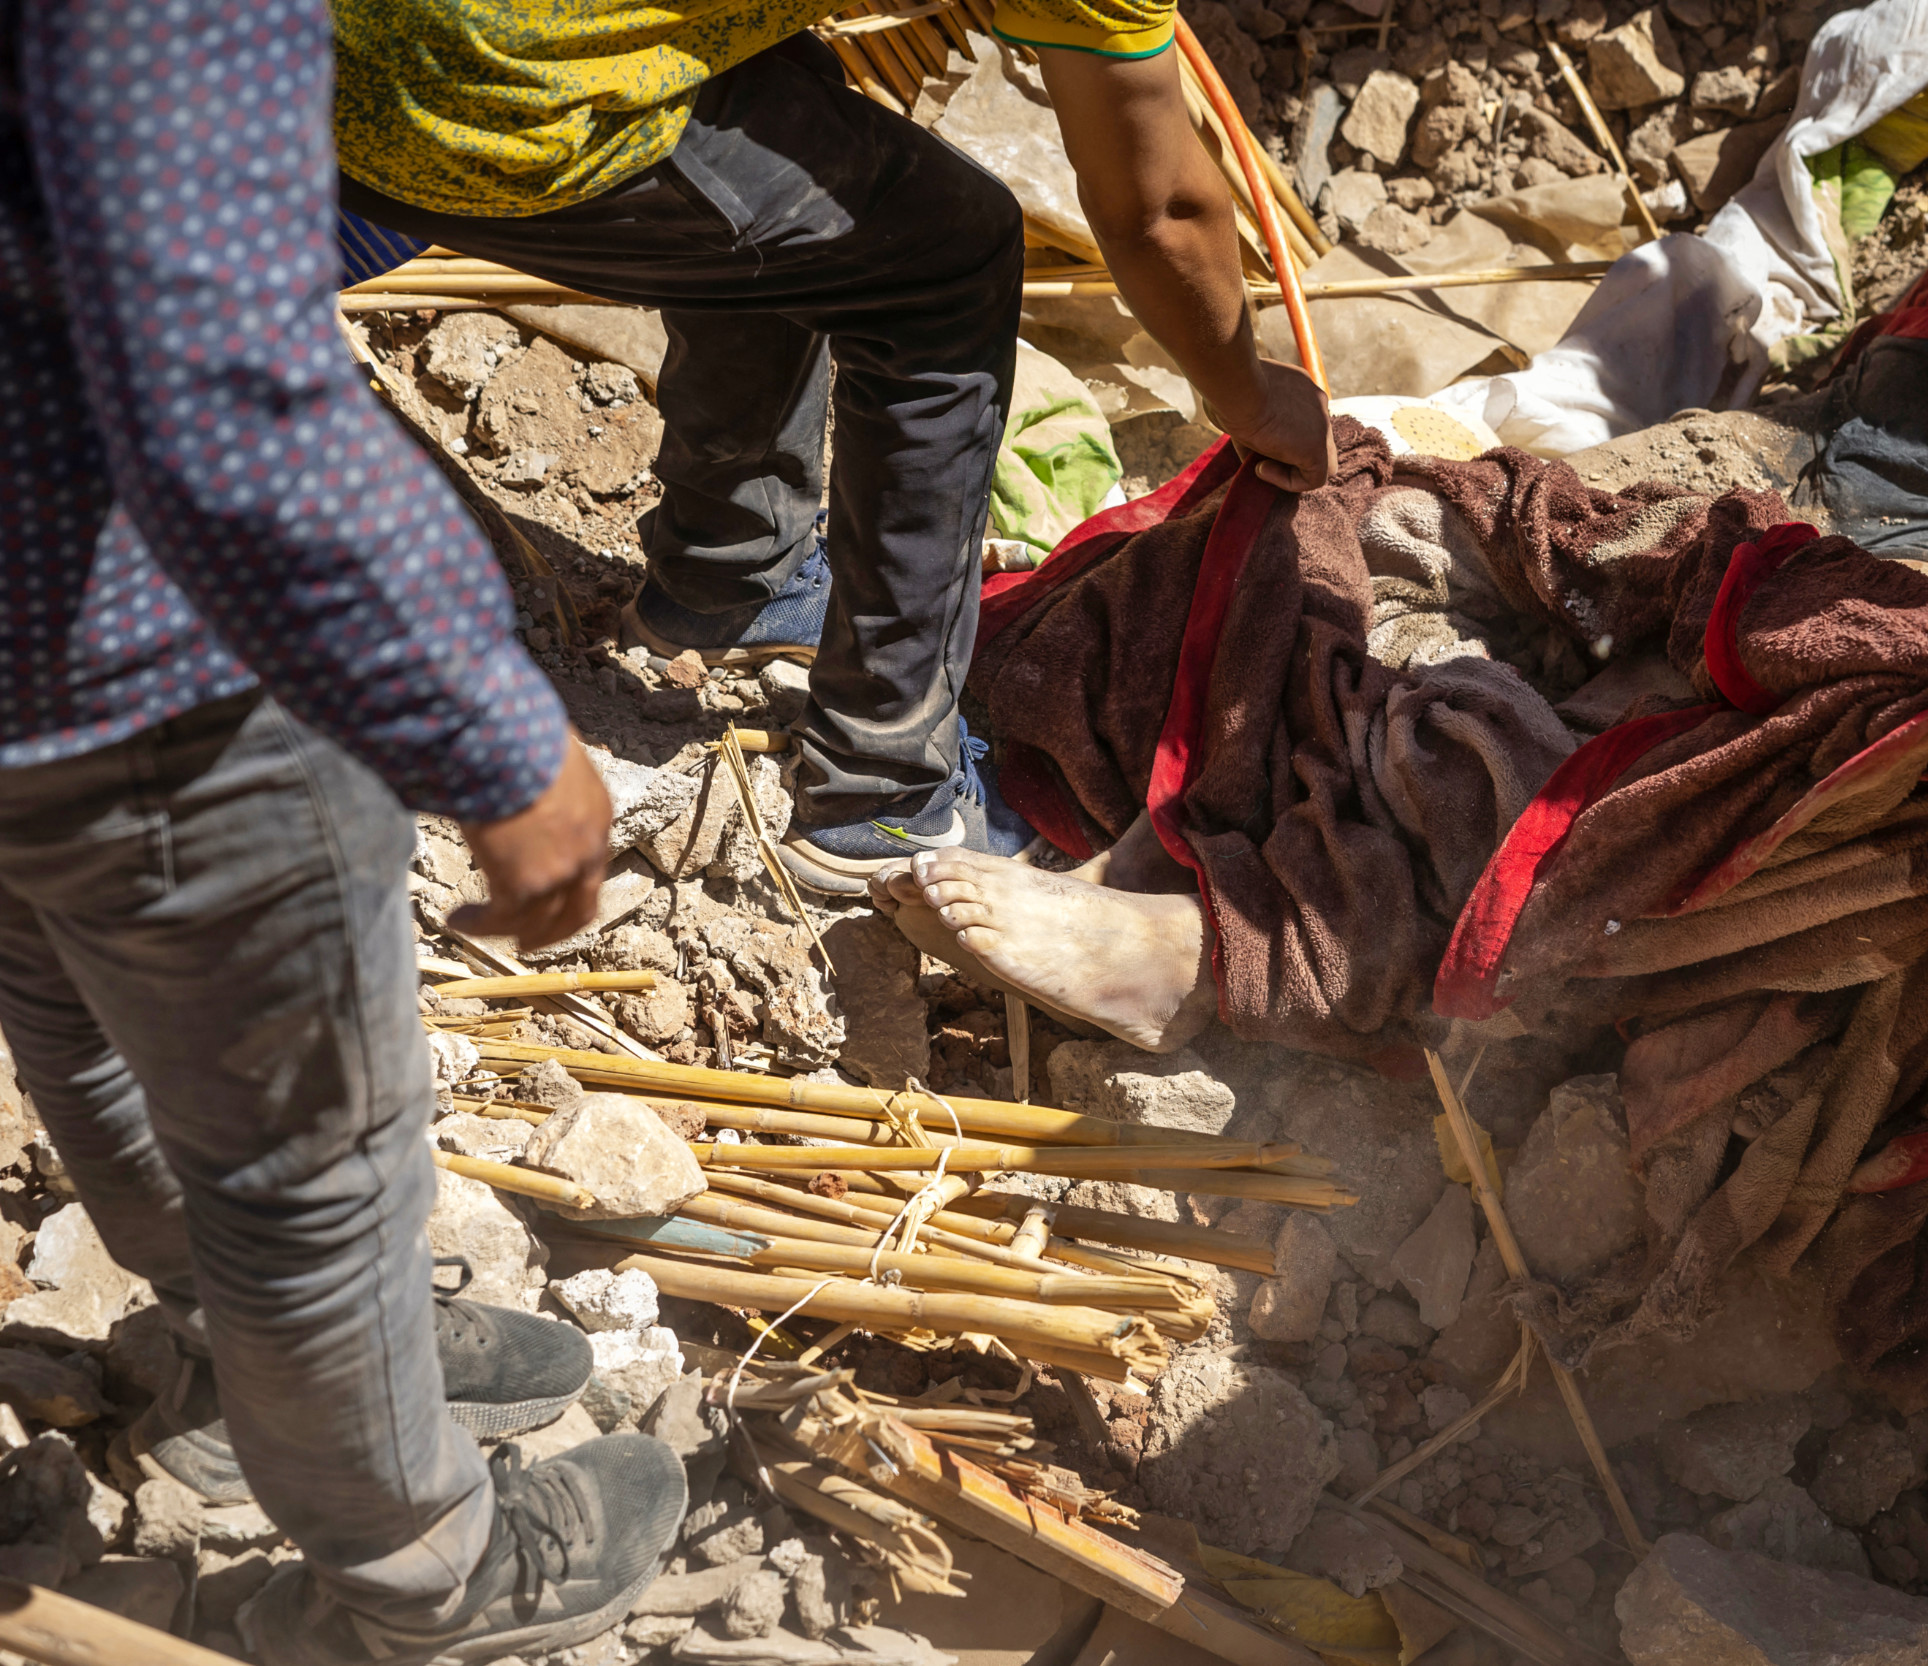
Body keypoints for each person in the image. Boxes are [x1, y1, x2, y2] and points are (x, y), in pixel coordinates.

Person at [0, 0, 685, 1659]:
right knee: (311, 1177)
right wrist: (501, 734)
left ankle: (250, 1368)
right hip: (155, 663)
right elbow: (219, 386)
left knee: (79, 1013)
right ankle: (426, 1568)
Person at [327, 0, 1335, 895]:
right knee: (945, 250)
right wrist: (1244, 393)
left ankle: (732, 574)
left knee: (802, 125)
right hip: (458, 99)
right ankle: (884, 793)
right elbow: (1157, 208)